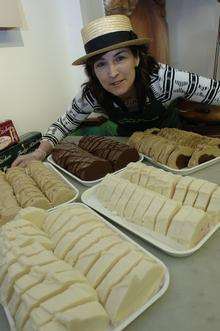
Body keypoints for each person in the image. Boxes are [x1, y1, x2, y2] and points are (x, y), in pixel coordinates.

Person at [13, 14, 220, 167]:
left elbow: (216, 91)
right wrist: (39, 153)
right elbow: (62, 124)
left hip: (175, 148)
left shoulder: (165, 79)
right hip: (131, 150)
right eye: (101, 64)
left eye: (120, 58)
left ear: (137, 58)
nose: (112, 73)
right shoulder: (92, 94)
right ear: (92, 71)